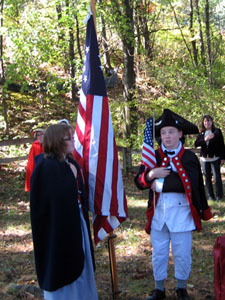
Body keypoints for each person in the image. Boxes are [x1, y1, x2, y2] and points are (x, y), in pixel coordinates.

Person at [135, 109, 213, 300]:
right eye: (163, 133)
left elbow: (191, 184)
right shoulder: (154, 156)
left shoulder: (189, 158)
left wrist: (161, 183)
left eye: (171, 132)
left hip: (182, 214)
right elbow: (139, 182)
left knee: (182, 253)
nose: (167, 136)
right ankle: (159, 289)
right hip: (159, 214)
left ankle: (181, 288)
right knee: (159, 253)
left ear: (179, 134)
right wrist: (151, 175)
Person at [30, 124, 98, 300]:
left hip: (76, 223)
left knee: (80, 263)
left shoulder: (70, 162)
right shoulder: (46, 167)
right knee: (62, 266)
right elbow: (47, 205)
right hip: (57, 230)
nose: (73, 141)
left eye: (72, 137)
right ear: (57, 142)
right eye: (69, 138)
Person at [194, 115, 225, 201]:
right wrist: (205, 139)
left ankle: (219, 196)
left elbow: (222, 145)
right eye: (205, 121)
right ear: (203, 123)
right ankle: (210, 196)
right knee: (207, 178)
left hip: (215, 158)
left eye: (208, 121)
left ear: (212, 122)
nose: (207, 123)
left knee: (217, 177)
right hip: (204, 159)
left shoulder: (217, 131)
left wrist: (223, 158)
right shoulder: (201, 133)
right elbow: (196, 144)